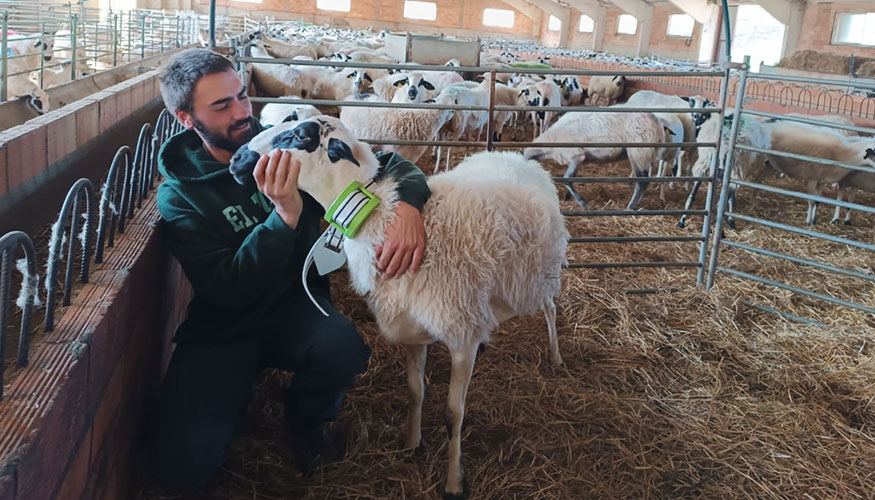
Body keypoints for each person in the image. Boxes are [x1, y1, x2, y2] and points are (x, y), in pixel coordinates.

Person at [150, 48, 430, 493]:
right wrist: (282, 218)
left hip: (297, 302)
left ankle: (307, 420)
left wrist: (410, 203)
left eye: (242, 97)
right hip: (227, 326)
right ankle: (229, 394)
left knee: (344, 349)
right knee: (182, 468)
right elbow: (227, 290)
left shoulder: (287, 141)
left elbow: (388, 165)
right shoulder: (180, 197)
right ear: (186, 118)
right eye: (222, 106)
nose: (242, 113)